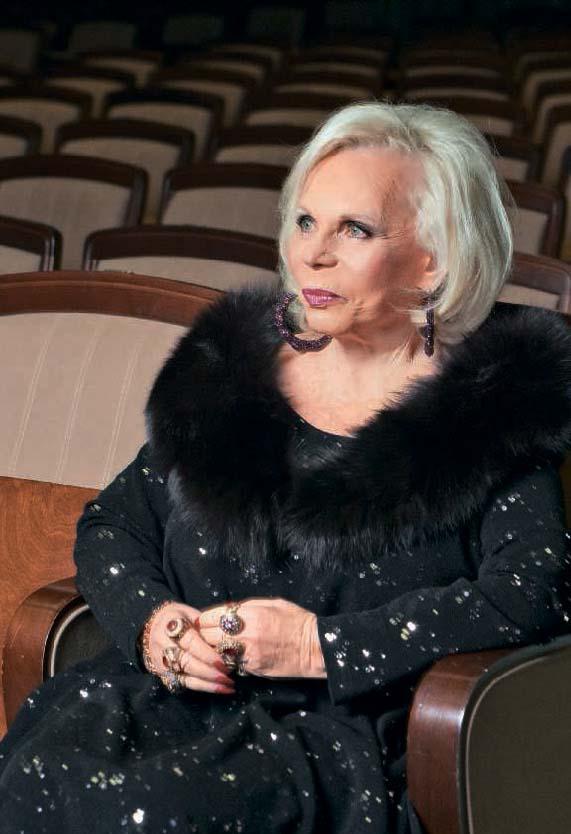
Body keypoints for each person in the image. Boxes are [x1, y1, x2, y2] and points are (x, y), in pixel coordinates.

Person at [1, 101, 570, 834]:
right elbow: (115, 523)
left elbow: (531, 595)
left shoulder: (493, 412)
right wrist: (152, 626)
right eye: (304, 222)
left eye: (354, 229)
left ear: (435, 256)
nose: (312, 255)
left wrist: (319, 647)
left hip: (334, 744)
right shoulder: (233, 379)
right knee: (44, 771)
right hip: (162, 706)